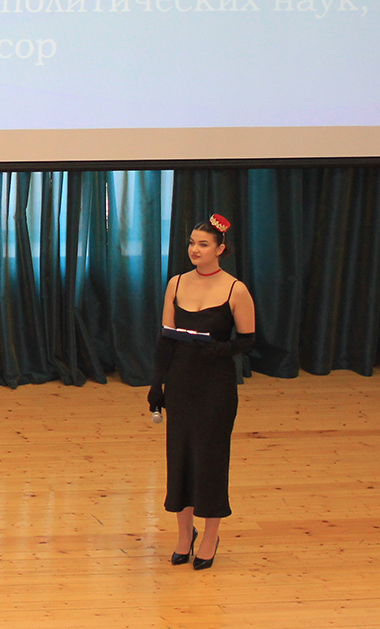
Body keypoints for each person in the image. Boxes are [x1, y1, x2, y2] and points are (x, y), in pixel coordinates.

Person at [148, 213, 255, 570]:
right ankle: (184, 534)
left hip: (215, 387)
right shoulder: (176, 283)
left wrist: (219, 349)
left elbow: (248, 339)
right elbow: (166, 339)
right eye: (192, 243)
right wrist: (156, 385)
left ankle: (210, 537)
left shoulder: (235, 289)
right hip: (181, 383)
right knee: (179, 457)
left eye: (203, 244)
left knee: (210, 460)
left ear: (220, 249)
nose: (195, 249)